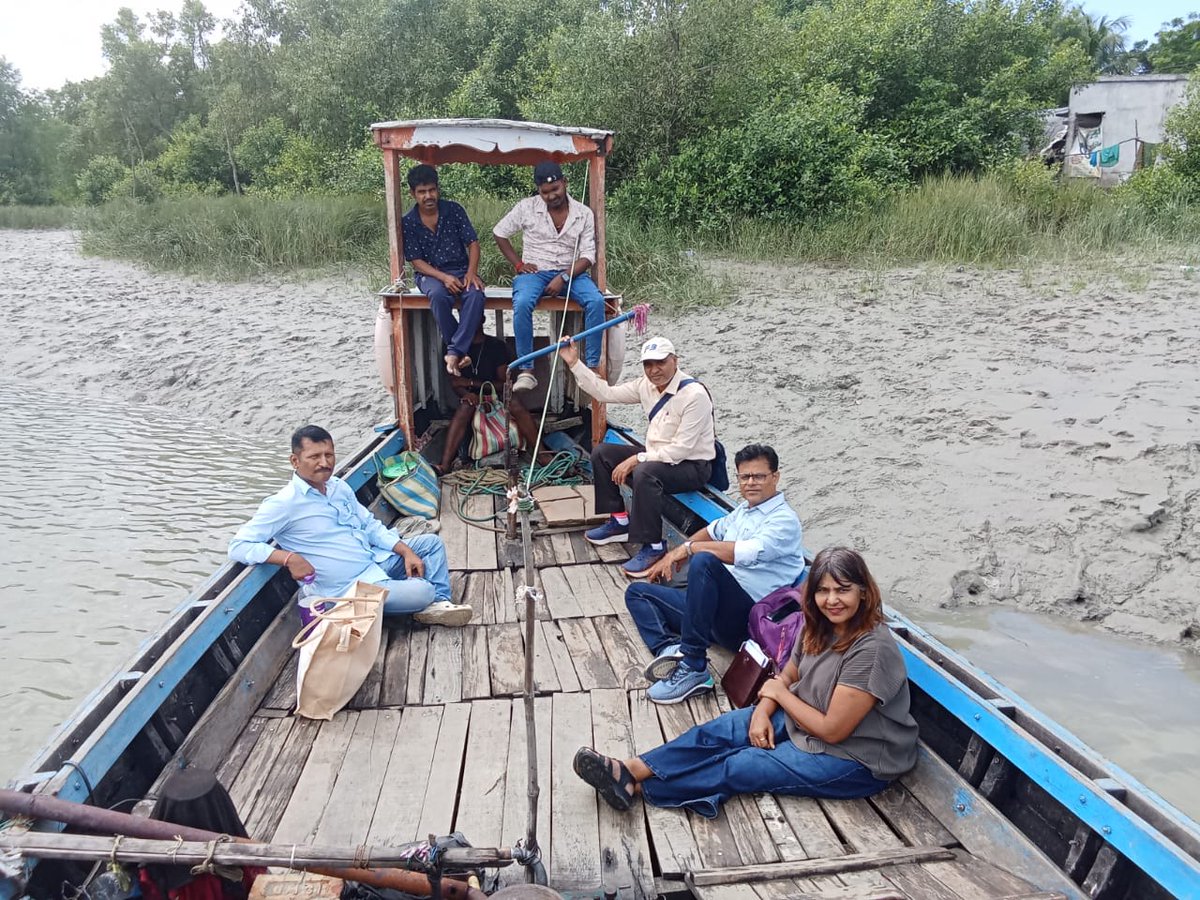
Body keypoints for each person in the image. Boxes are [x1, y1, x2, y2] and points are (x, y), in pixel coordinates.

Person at [573, 547, 918, 818]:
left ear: (863, 592)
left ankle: (640, 789)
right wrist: (761, 711)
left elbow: (832, 730)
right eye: (822, 591)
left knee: (742, 765)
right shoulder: (818, 624)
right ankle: (630, 769)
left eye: (843, 590)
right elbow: (789, 674)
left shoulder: (871, 648)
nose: (832, 600)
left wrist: (777, 694)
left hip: (856, 758)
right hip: (804, 716)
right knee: (718, 732)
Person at [228, 425, 473, 626]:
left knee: (429, 543)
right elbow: (238, 545)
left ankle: (439, 605)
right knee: (423, 591)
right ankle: (425, 600)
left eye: (329, 455)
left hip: (374, 563)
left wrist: (405, 551)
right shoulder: (283, 503)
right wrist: (288, 558)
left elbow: (369, 526)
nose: (324, 462)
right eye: (314, 457)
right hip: (350, 589)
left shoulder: (338, 487)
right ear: (295, 460)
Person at [626, 443, 806, 703]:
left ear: (775, 477)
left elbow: (745, 552)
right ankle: (670, 652)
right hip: (710, 609)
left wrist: (687, 549)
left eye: (759, 476)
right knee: (637, 593)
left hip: (746, 620)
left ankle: (694, 667)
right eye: (744, 477)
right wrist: (670, 555)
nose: (751, 483)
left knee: (704, 561)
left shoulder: (784, 521)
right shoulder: (744, 511)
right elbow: (712, 531)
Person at [559, 335, 716, 579]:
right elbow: (604, 393)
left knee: (645, 471)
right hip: (657, 457)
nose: (654, 371)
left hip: (691, 466)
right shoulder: (646, 385)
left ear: (675, 361)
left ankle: (653, 546)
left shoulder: (694, 395)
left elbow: (681, 449)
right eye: (648, 365)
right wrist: (574, 363)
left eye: (661, 363)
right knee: (602, 453)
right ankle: (620, 521)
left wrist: (638, 459)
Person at [493, 161, 607, 393]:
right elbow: (499, 232)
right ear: (538, 191)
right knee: (523, 302)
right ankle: (527, 370)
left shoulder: (583, 213)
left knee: (596, 301)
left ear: (564, 183)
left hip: (572, 272)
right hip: (535, 273)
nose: (551, 195)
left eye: (555, 189)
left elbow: (587, 256)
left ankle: (593, 367)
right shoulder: (526, 207)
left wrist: (564, 277)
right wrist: (519, 264)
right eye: (545, 192)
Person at [402, 164, 486, 376]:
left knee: (475, 294)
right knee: (438, 295)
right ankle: (459, 350)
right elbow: (416, 261)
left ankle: (454, 352)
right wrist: (443, 277)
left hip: (460, 269)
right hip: (429, 274)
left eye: (431, 190)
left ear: (438, 189)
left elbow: (473, 243)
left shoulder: (454, 210)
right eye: (422, 192)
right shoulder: (409, 222)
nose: (428, 196)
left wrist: (471, 272)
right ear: (413, 193)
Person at [438, 323, 551, 474]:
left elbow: (504, 383)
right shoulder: (455, 348)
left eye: (472, 317)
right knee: (465, 406)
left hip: (496, 396)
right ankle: (445, 465)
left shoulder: (495, 346)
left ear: (482, 319)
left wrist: (471, 383)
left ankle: (541, 454)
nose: (468, 321)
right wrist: (465, 393)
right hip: (472, 398)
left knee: (514, 403)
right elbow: (456, 382)